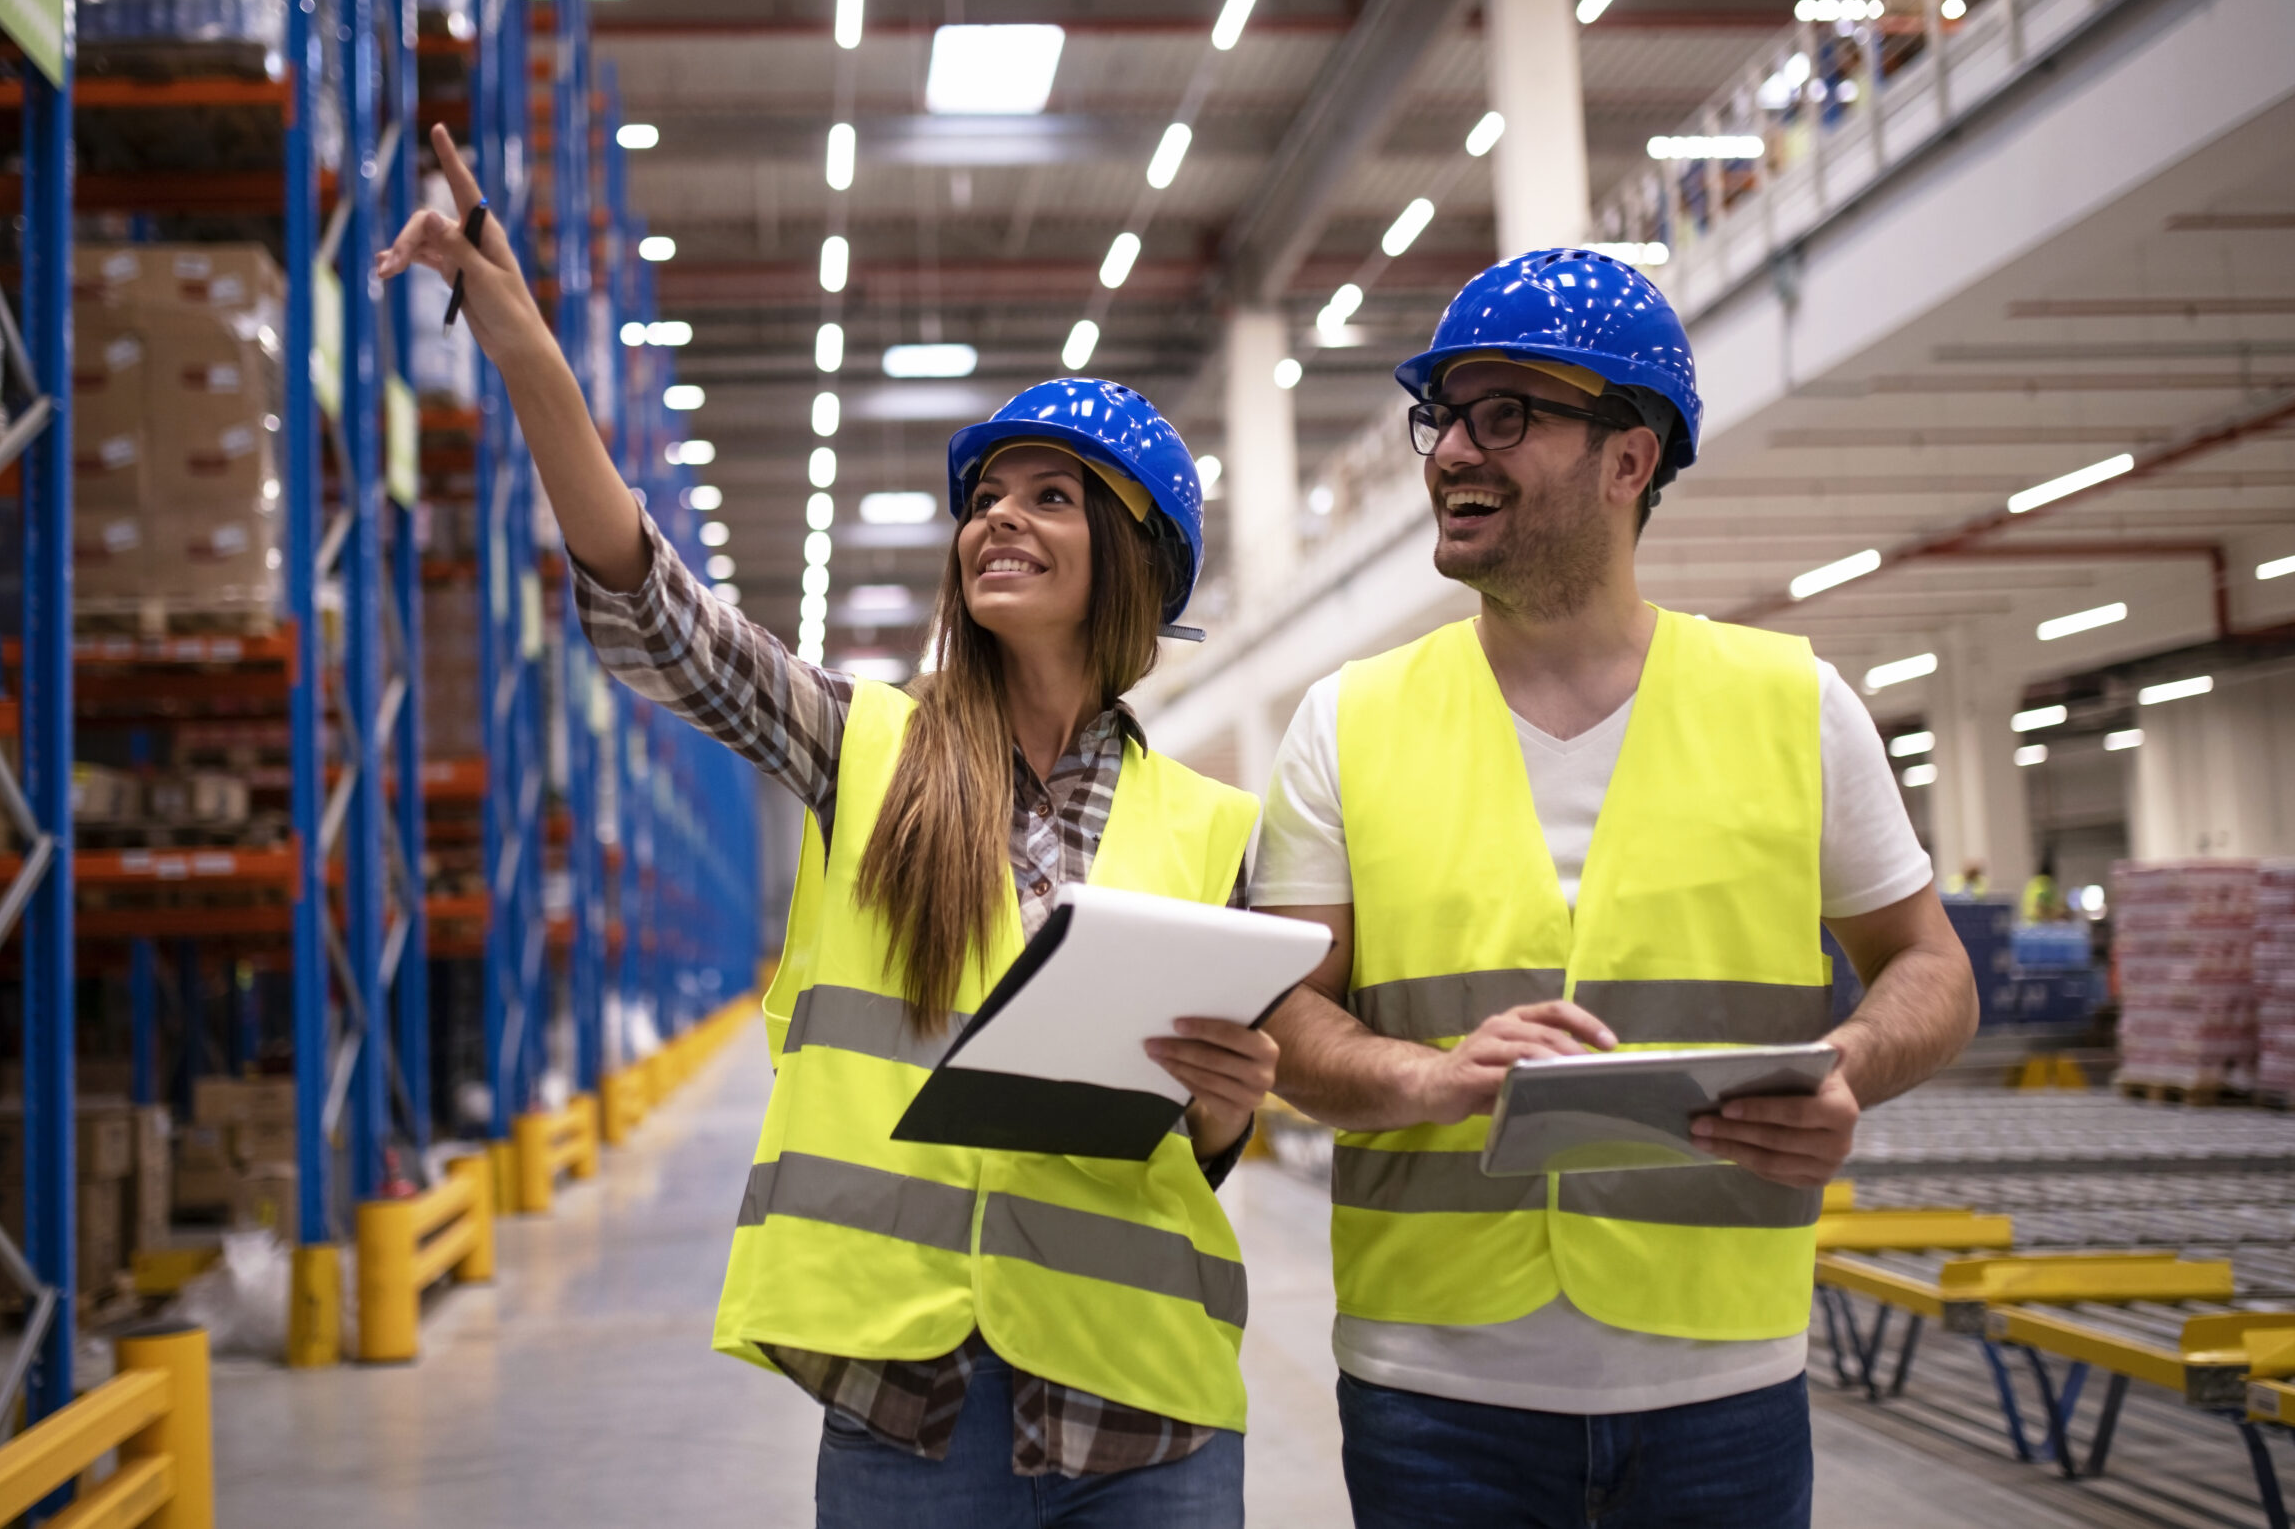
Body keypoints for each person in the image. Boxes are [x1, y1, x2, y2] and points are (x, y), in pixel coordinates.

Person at [378, 125, 1274, 1527]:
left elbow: (1200, 1134)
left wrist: (1228, 1104)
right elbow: (656, 607)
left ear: (1140, 563)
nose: (998, 519)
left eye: (1052, 496)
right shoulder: (866, 741)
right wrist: (526, 352)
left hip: (1144, 1404)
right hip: (911, 1400)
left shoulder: (1220, 825)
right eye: (985, 497)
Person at [1254, 248, 1979, 1529]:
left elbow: (1931, 967)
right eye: (1446, 417)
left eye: (1506, 416)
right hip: (1433, 1385)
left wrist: (1849, 1066)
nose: (1452, 453)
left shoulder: (1793, 707)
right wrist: (1425, 1078)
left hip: (1721, 1382)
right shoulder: (1345, 721)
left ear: (1629, 459)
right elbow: (1286, 1023)